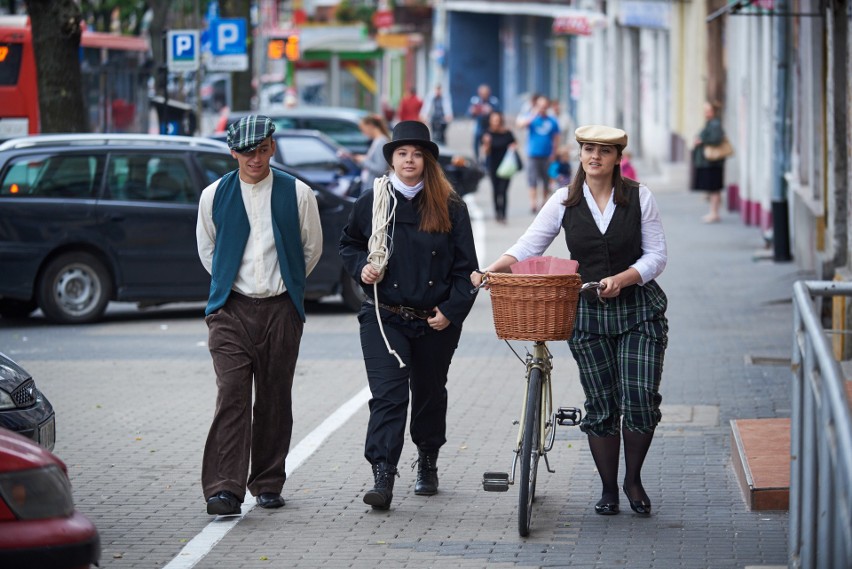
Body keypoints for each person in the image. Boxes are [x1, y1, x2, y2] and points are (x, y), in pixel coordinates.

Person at [471, 125, 668, 518]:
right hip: (588, 312)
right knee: (601, 403)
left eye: (604, 151)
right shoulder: (564, 199)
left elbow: (657, 255)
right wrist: (490, 270)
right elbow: (530, 245)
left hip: (638, 309)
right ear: (579, 154)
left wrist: (626, 277)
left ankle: (634, 480)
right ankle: (609, 488)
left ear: (617, 159)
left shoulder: (638, 197)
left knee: (641, 398)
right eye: (588, 149)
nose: (595, 157)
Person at [339, 120, 479, 511]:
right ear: (392, 159)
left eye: (417, 154)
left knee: (430, 394)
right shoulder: (372, 201)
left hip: (434, 321)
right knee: (389, 396)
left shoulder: (450, 207)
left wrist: (450, 312)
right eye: (402, 153)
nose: (409, 160)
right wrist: (362, 267)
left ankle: (428, 460)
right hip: (384, 317)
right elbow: (349, 244)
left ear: (428, 161)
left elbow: (467, 270)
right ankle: (383, 475)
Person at [196, 115, 323, 516]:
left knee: (273, 396)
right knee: (232, 396)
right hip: (230, 310)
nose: (255, 158)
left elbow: (311, 250)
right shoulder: (213, 195)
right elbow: (208, 252)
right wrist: (230, 287)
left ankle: (268, 482)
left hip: (281, 309)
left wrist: (285, 289)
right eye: (247, 151)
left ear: (272, 147)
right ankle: (223, 489)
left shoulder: (298, 192)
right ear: (233, 152)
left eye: (263, 149)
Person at [516, 95, 560, 213]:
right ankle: (533, 203)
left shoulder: (552, 121)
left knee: (546, 180)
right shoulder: (531, 118)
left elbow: (556, 138)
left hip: (547, 155)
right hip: (533, 154)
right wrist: (533, 115)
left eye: (544, 106)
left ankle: (544, 201)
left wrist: (554, 153)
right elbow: (520, 125)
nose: (542, 108)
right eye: (540, 106)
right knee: (532, 180)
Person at [480, 110, 518, 222]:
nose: (496, 122)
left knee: (504, 190)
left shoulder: (507, 133)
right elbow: (485, 152)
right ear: (490, 121)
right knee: (496, 190)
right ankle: (497, 212)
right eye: (494, 120)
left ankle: (503, 213)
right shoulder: (487, 134)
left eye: (497, 120)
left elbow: (515, 143)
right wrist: (487, 143)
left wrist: (513, 147)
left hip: (506, 166)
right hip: (493, 165)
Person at [692, 101, 726, 223]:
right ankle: (713, 211)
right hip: (710, 162)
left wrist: (701, 140)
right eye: (705, 111)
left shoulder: (715, 124)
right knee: (713, 188)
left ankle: (714, 213)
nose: (706, 113)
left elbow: (716, 139)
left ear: (714, 111)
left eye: (708, 111)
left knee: (714, 188)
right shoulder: (711, 123)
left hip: (713, 162)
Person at [355, 114, 392, 192]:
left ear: (370, 126)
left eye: (363, 129)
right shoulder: (377, 141)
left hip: (375, 190)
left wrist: (363, 161)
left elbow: (380, 169)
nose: (363, 133)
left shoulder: (381, 142)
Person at [467, 84, 500, 162]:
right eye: (482, 93)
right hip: (479, 124)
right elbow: (469, 114)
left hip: (490, 125)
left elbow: (499, 113)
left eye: (486, 93)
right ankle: (477, 158)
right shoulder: (475, 100)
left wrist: (491, 111)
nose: (484, 95)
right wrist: (473, 111)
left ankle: (489, 160)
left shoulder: (493, 101)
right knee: (476, 137)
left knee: (489, 141)